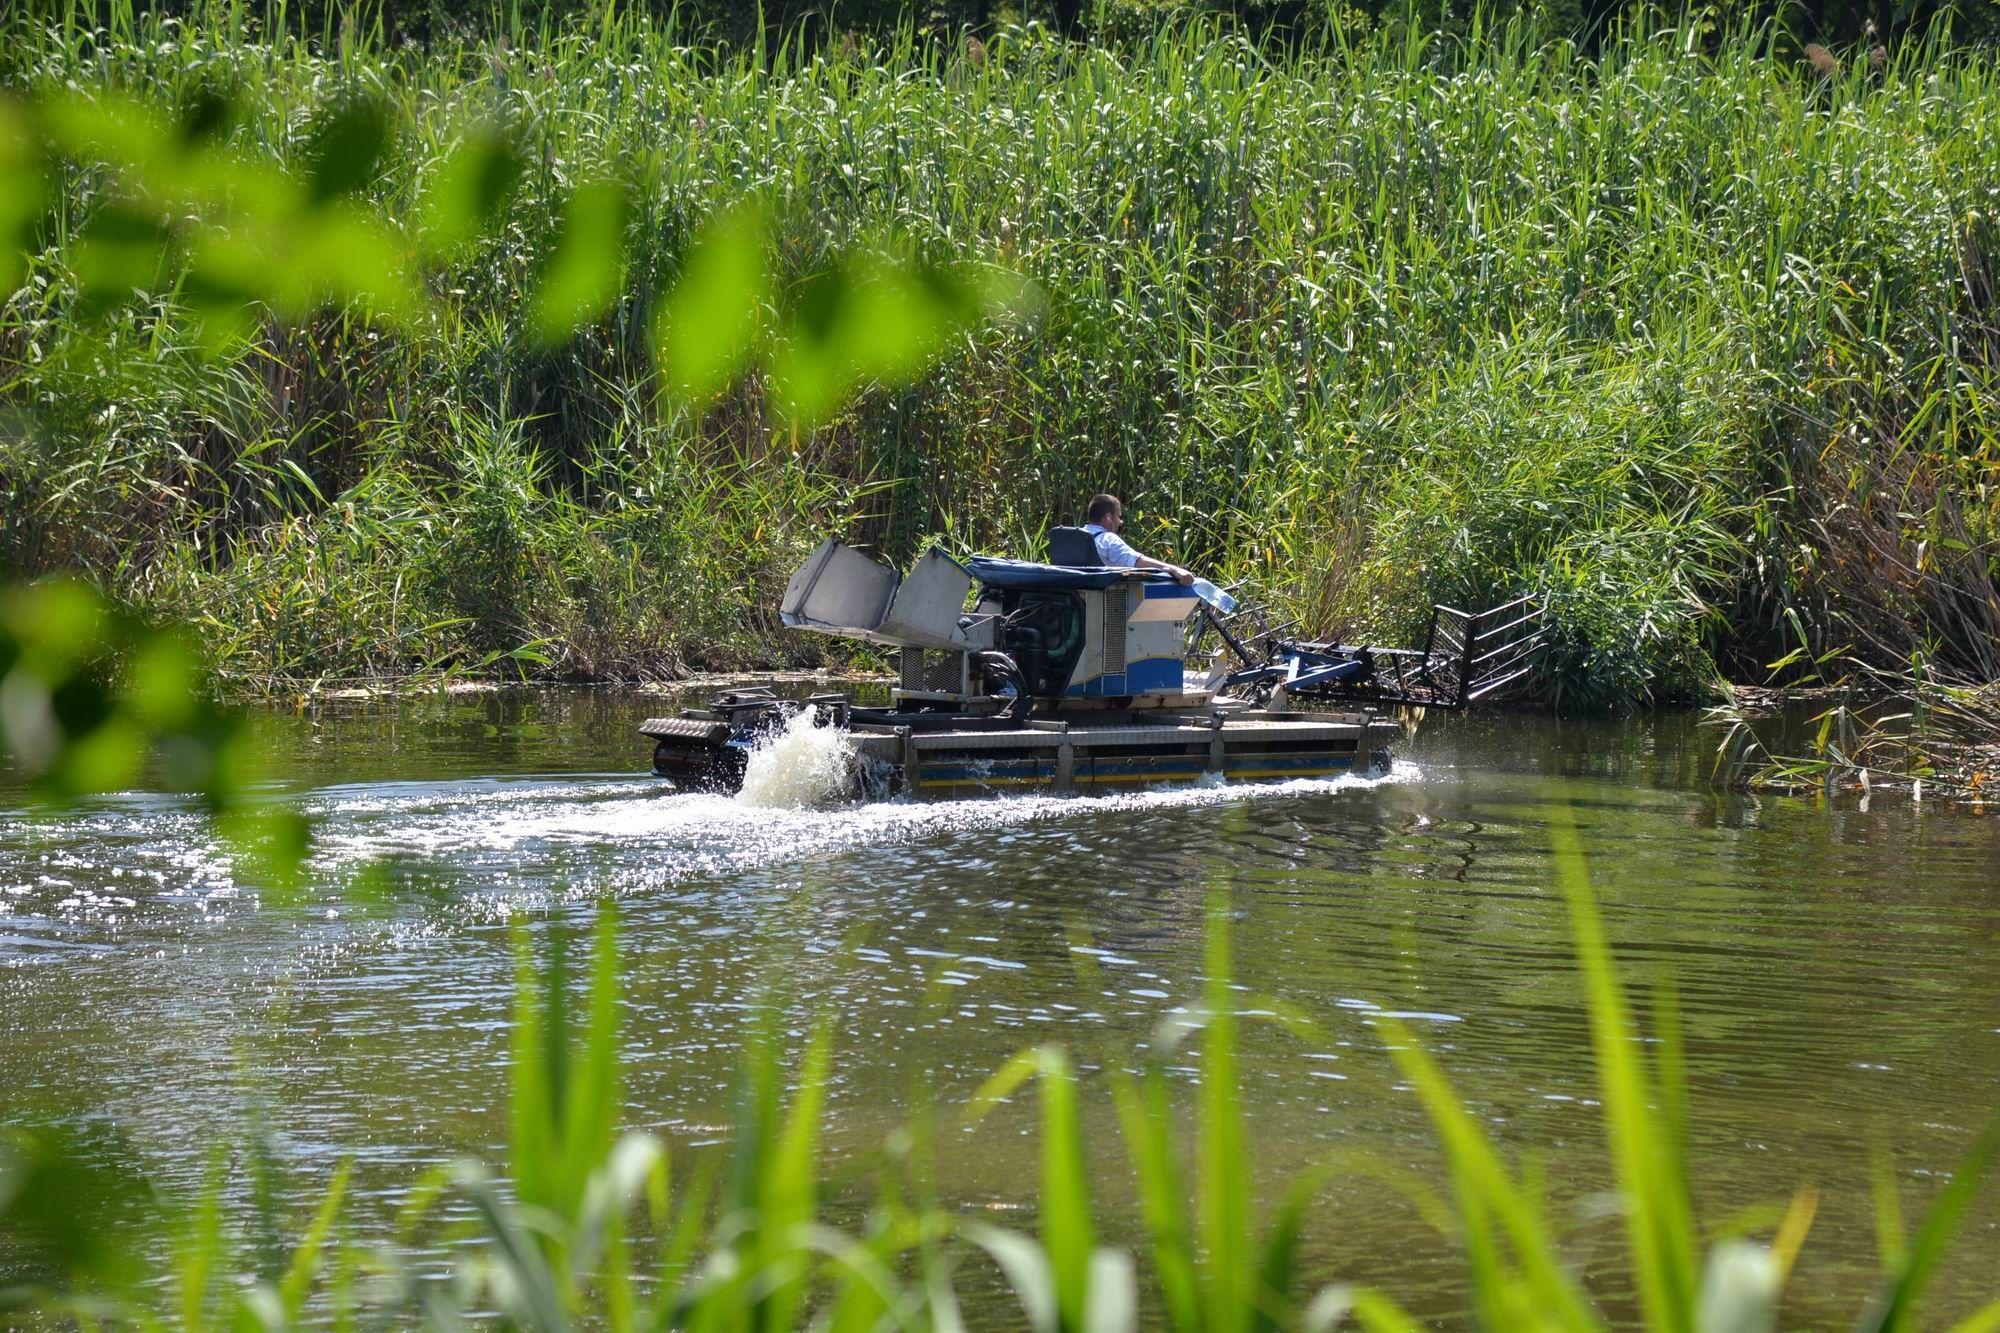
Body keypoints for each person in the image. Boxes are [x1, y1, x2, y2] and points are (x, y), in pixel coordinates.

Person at [1082, 494, 1195, 585]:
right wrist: (1174, 569)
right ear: (1108, 518)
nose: (1120, 522)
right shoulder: (1108, 539)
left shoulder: (1076, 536)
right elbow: (1136, 561)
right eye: (1118, 516)